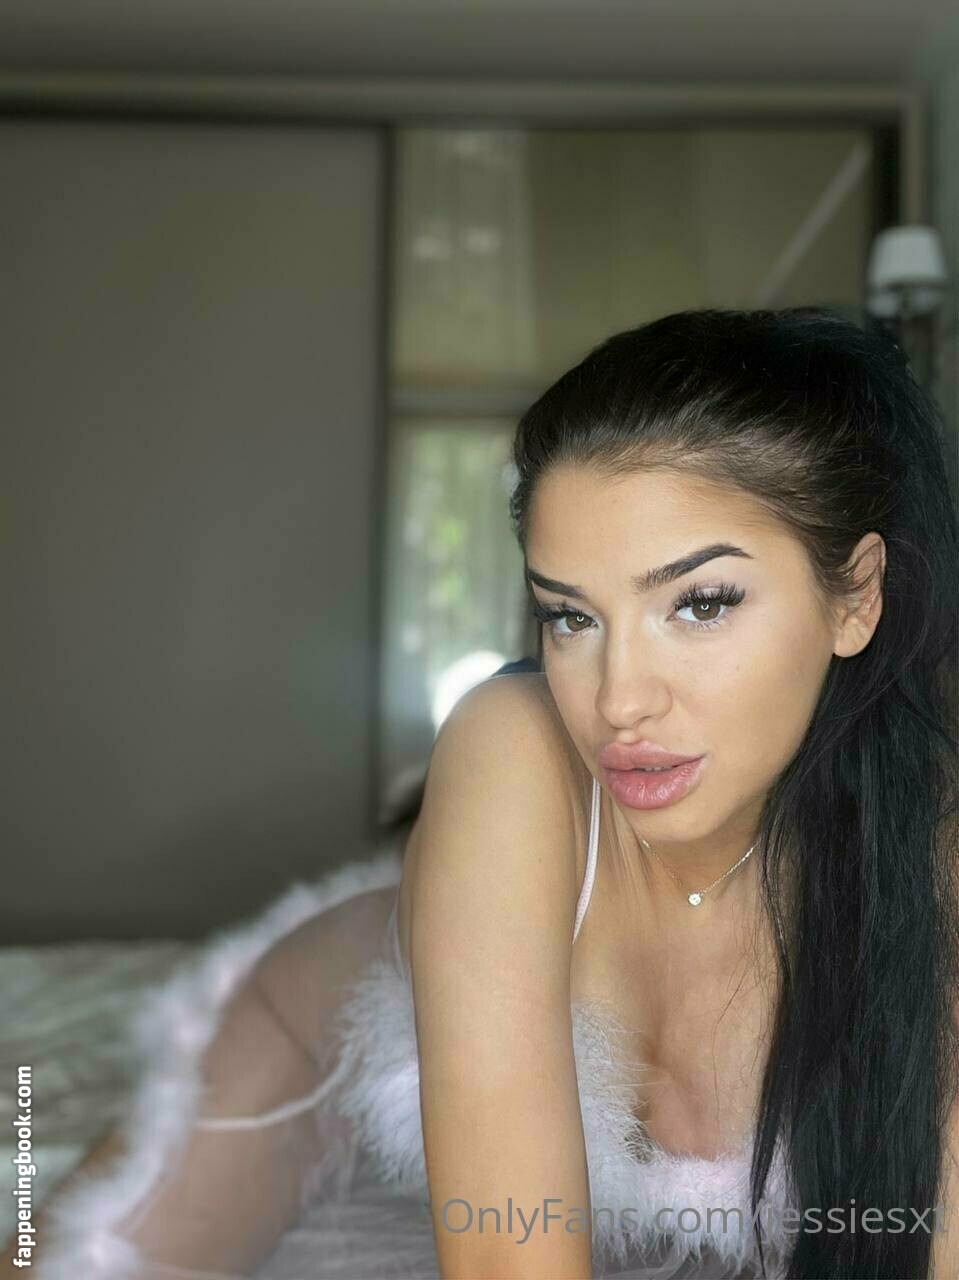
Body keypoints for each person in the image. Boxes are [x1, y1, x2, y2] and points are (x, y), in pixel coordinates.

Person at [7, 307, 957, 1280]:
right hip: (319, 1047)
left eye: (699, 603)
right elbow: (509, 1258)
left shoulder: (929, 859)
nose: (618, 699)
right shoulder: (510, 749)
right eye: (569, 617)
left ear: (855, 596)